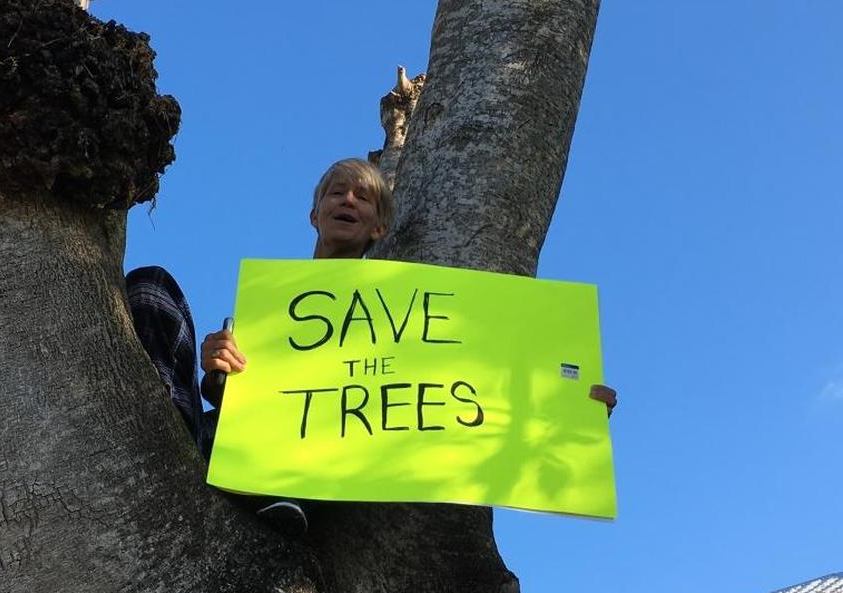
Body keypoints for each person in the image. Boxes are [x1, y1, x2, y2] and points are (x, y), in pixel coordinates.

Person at [197, 157, 618, 535]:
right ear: (314, 214)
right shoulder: (272, 307)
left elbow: (483, 384)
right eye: (336, 192)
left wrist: (571, 410)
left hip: (336, 489)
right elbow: (244, 398)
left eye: (363, 197)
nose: (348, 199)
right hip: (228, 456)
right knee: (153, 287)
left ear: (379, 228)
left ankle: (285, 492)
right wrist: (218, 364)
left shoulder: (402, 322)